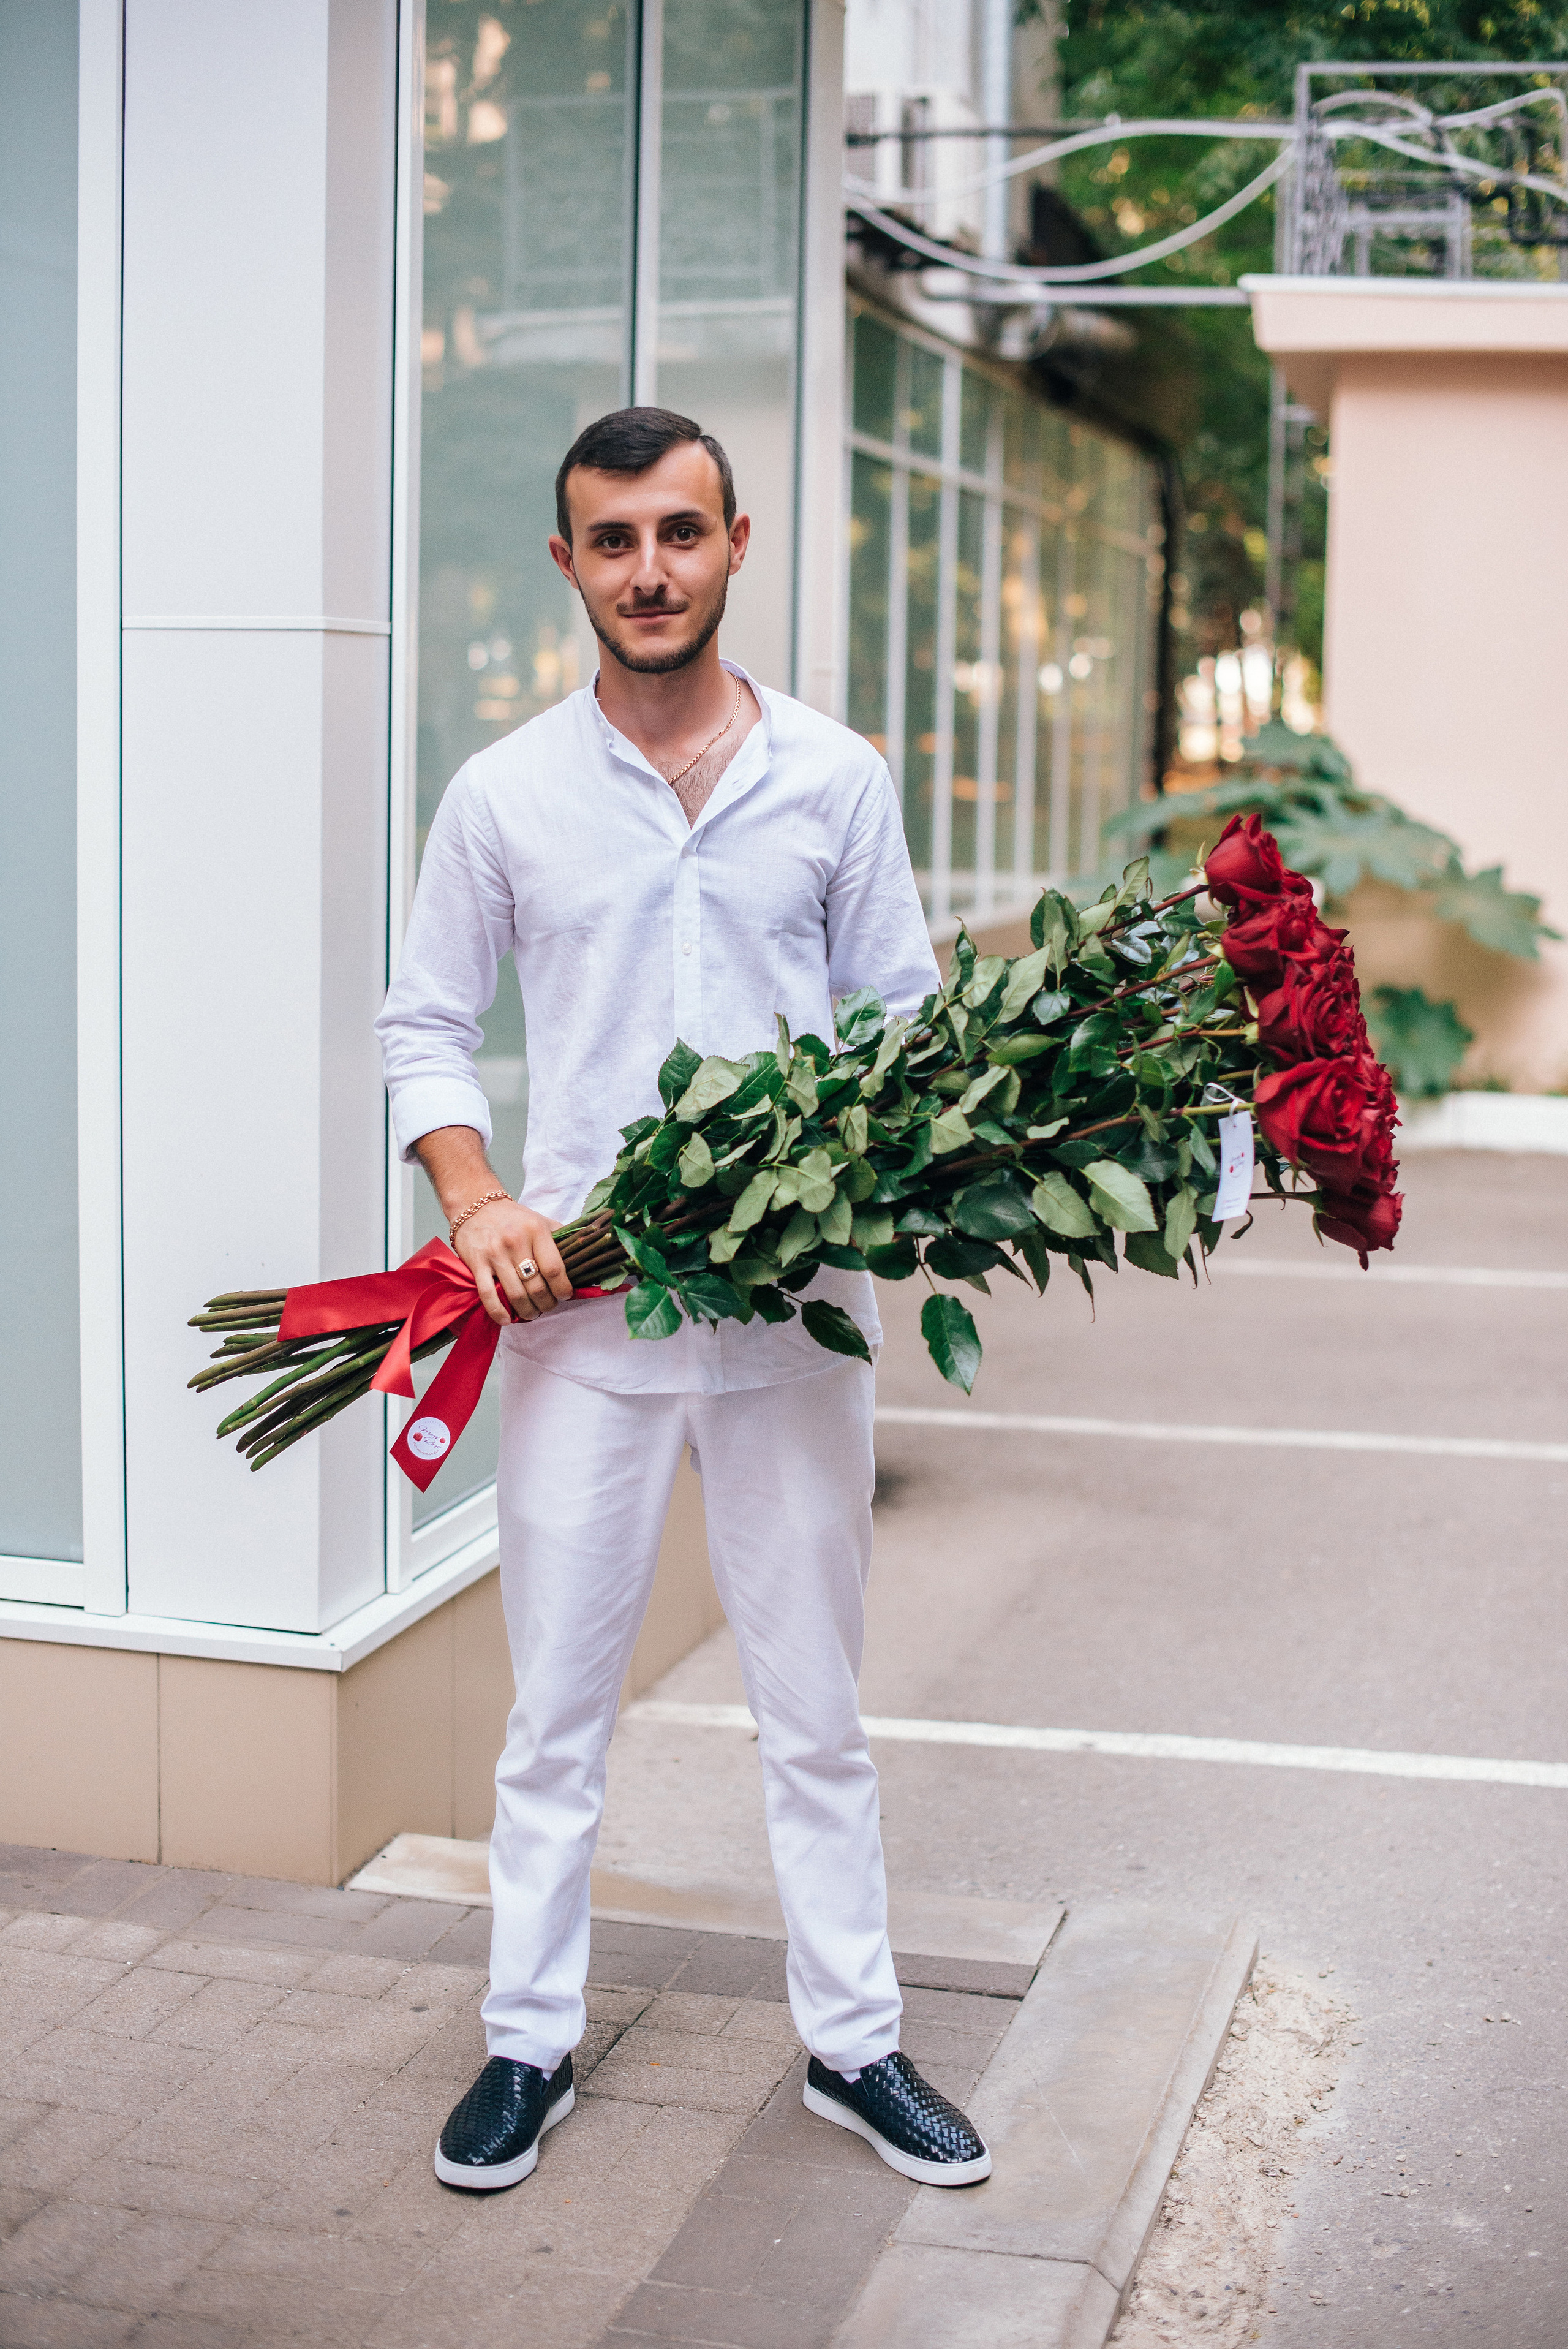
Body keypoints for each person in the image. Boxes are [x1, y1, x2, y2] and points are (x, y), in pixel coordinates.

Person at [376, 406, 991, 2195]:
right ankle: (524, 2039)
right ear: (569, 565)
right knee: (557, 1709)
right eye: (614, 539)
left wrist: (893, 1155)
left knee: (815, 1706)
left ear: (736, 545)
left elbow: (900, 1022)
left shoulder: (838, 780)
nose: (651, 568)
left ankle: (856, 2043)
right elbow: (423, 1020)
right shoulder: (504, 792)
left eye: (681, 532)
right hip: (582, 1327)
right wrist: (476, 1193)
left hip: (797, 1317)